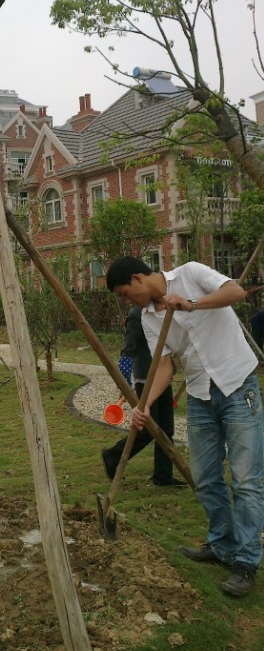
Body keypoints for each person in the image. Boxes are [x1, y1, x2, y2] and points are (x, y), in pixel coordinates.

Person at [106, 256, 263, 598]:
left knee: (246, 481)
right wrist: (143, 405)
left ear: (138, 278)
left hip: (237, 386)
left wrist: (190, 303)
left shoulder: (191, 274)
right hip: (199, 395)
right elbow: (164, 367)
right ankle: (221, 545)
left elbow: (236, 292)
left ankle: (246, 561)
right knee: (206, 479)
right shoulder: (148, 318)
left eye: (124, 293)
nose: (126, 300)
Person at [101, 306, 186, 487]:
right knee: (147, 430)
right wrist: (125, 383)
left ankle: (163, 476)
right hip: (145, 381)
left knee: (166, 430)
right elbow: (128, 350)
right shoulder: (136, 315)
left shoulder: (161, 310)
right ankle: (112, 456)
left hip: (163, 378)